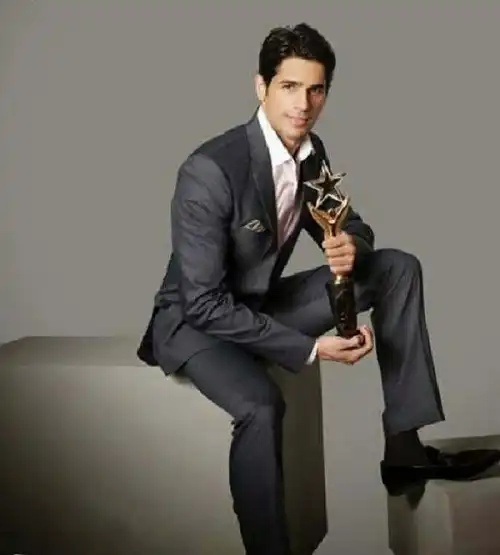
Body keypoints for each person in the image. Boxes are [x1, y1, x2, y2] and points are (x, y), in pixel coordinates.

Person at [137, 22, 500, 555]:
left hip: (262, 304)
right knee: (261, 407)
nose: (303, 104)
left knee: (397, 268)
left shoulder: (311, 153)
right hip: (196, 325)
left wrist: (351, 243)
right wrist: (311, 349)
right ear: (261, 86)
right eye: (289, 87)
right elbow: (203, 303)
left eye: (316, 90)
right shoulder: (210, 170)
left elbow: (350, 223)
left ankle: (404, 450)